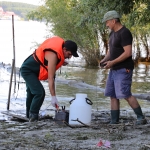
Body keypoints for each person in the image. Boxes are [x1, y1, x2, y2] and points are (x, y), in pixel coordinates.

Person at [100, 10, 147, 125]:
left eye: (107, 22)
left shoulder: (125, 33)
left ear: (113, 21)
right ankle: (114, 120)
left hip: (124, 68)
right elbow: (111, 51)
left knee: (125, 94)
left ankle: (141, 118)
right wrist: (105, 60)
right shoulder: (112, 34)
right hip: (114, 69)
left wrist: (112, 62)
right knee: (112, 94)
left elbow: (128, 53)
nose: (106, 25)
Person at [20, 36, 79, 122]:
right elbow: (50, 78)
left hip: (35, 71)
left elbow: (47, 61)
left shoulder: (58, 54)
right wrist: (53, 97)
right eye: (69, 54)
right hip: (27, 70)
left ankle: (29, 116)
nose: (69, 57)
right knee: (39, 93)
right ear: (64, 49)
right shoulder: (53, 56)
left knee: (31, 93)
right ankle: (33, 117)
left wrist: (61, 61)